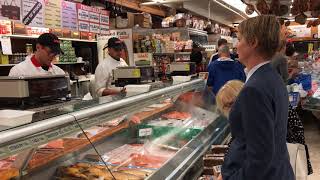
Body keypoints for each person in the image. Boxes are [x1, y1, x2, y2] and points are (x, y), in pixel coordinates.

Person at [220, 15, 294, 180]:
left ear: (253, 42)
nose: (236, 45)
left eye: (239, 39)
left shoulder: (254, 89)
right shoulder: (272, 77)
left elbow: (260, 159)